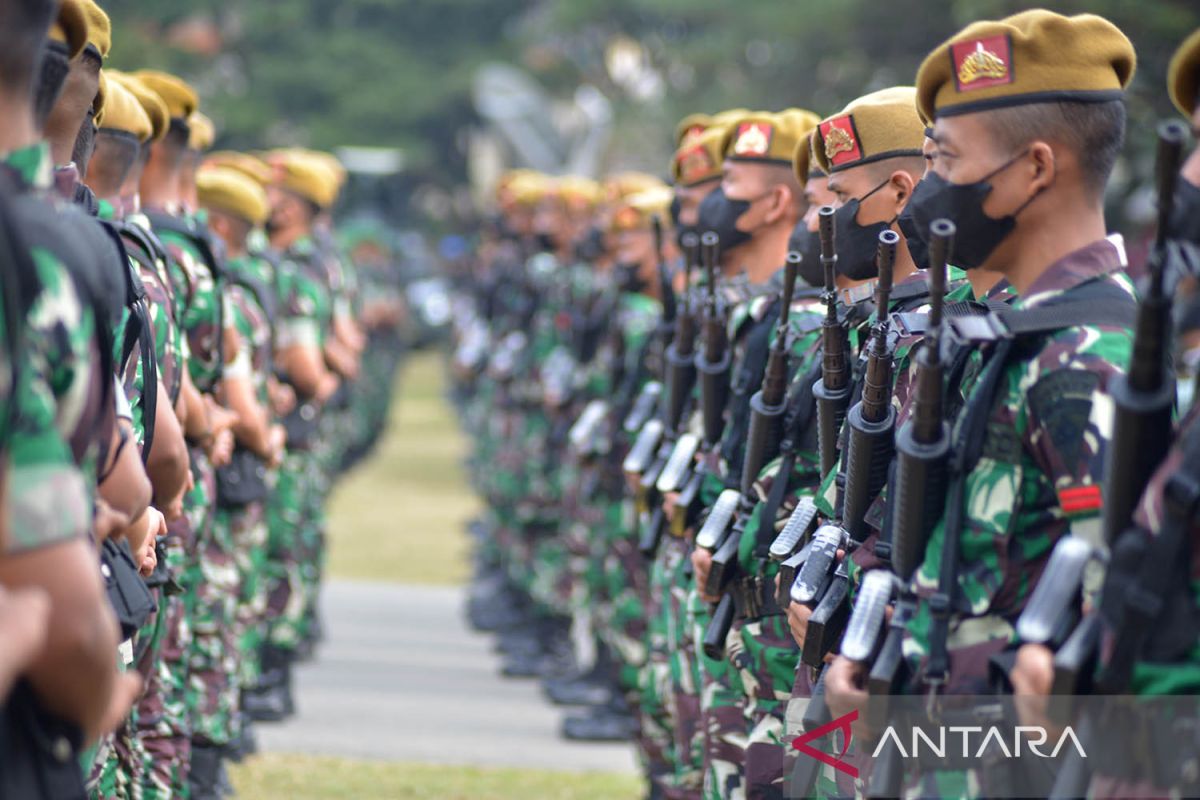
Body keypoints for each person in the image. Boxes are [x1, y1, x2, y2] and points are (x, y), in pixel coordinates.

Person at [823, 11, 1138, 796]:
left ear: (1035, 169)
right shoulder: (1014, 337)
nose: (927, 191)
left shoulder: (1089, 363)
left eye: (948, 162)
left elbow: (1107, 682)